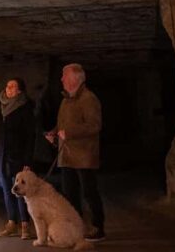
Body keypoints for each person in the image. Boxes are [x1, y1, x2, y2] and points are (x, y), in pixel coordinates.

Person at [45, 63, 106, 242]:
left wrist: (69, 133)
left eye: (65, 76)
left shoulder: (88, 99)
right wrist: (54, 132)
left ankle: (97, 226)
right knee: (69, 193)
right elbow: (63, 123)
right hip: (67, 155)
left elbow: (94, 125)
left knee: (89, 192)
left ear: (75, 79)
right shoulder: (66, 99)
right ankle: (77, 226)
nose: (62, 79)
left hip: (84, 156)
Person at [0, 78, 36, 240]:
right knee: (6, 189)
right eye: (7, 85)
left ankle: (25, 224)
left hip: (18, 154)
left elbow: (30, 135)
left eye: (13, 86)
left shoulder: (25, 107)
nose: (8, 88)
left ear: (19, 91)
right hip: (1, 154)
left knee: (20, 191)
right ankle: (11, 222)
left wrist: (28, 160)